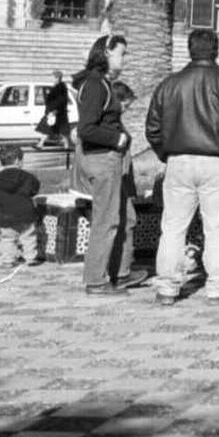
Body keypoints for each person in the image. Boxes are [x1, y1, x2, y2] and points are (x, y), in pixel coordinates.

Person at [146, 28, 219, 305]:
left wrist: (167, 153)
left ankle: (166, 288)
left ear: (189, 49)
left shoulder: (170, 84)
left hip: (179, 159)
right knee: (217, 226)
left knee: (173, 227)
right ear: (216, 50)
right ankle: (218, 288)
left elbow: (153, 126)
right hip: (216, 160)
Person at [73, 34, 148, 295]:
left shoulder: (101, 84)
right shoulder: (95, 85)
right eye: (121, 53)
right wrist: (119, 138)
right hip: (103, 159)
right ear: (106, 52)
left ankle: (120, 271)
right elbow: (87, 129)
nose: (124, 59)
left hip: (108, 159)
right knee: (105, 221)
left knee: (123, 217)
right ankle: (95, 280)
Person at [0, 144, 42, 267]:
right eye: (21, 160)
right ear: (17, 160)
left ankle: (8, 260)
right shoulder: (27, 177)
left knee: (7, 239)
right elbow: (35, 189)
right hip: (26, 213)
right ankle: (30, 257)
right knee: (28, 236)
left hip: (5, 215)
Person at [37, 70, 70, 150]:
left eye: (53, 77)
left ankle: (41, 144)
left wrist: (54, 111)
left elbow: (60, 101)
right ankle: (41, 144)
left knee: (52, 128)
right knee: (51, 129)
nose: (51, 79)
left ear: (57, 78)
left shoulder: (60, 87)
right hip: (56, 112)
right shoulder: (57, 87)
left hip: (57, 112)